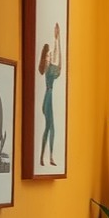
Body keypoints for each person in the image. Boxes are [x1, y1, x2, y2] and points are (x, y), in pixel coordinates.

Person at [38, 23, 62, 167]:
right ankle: (42, 156)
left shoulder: (52, 68)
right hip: (48, 98)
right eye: (47, 56)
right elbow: (56, 63)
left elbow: (59, 62)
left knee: (52, 128)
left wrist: (57, 39)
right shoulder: (47, 70)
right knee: (48, 127)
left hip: (50, 97)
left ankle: (50, 156)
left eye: (49, 56)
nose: (49, 57)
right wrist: (56, 40)